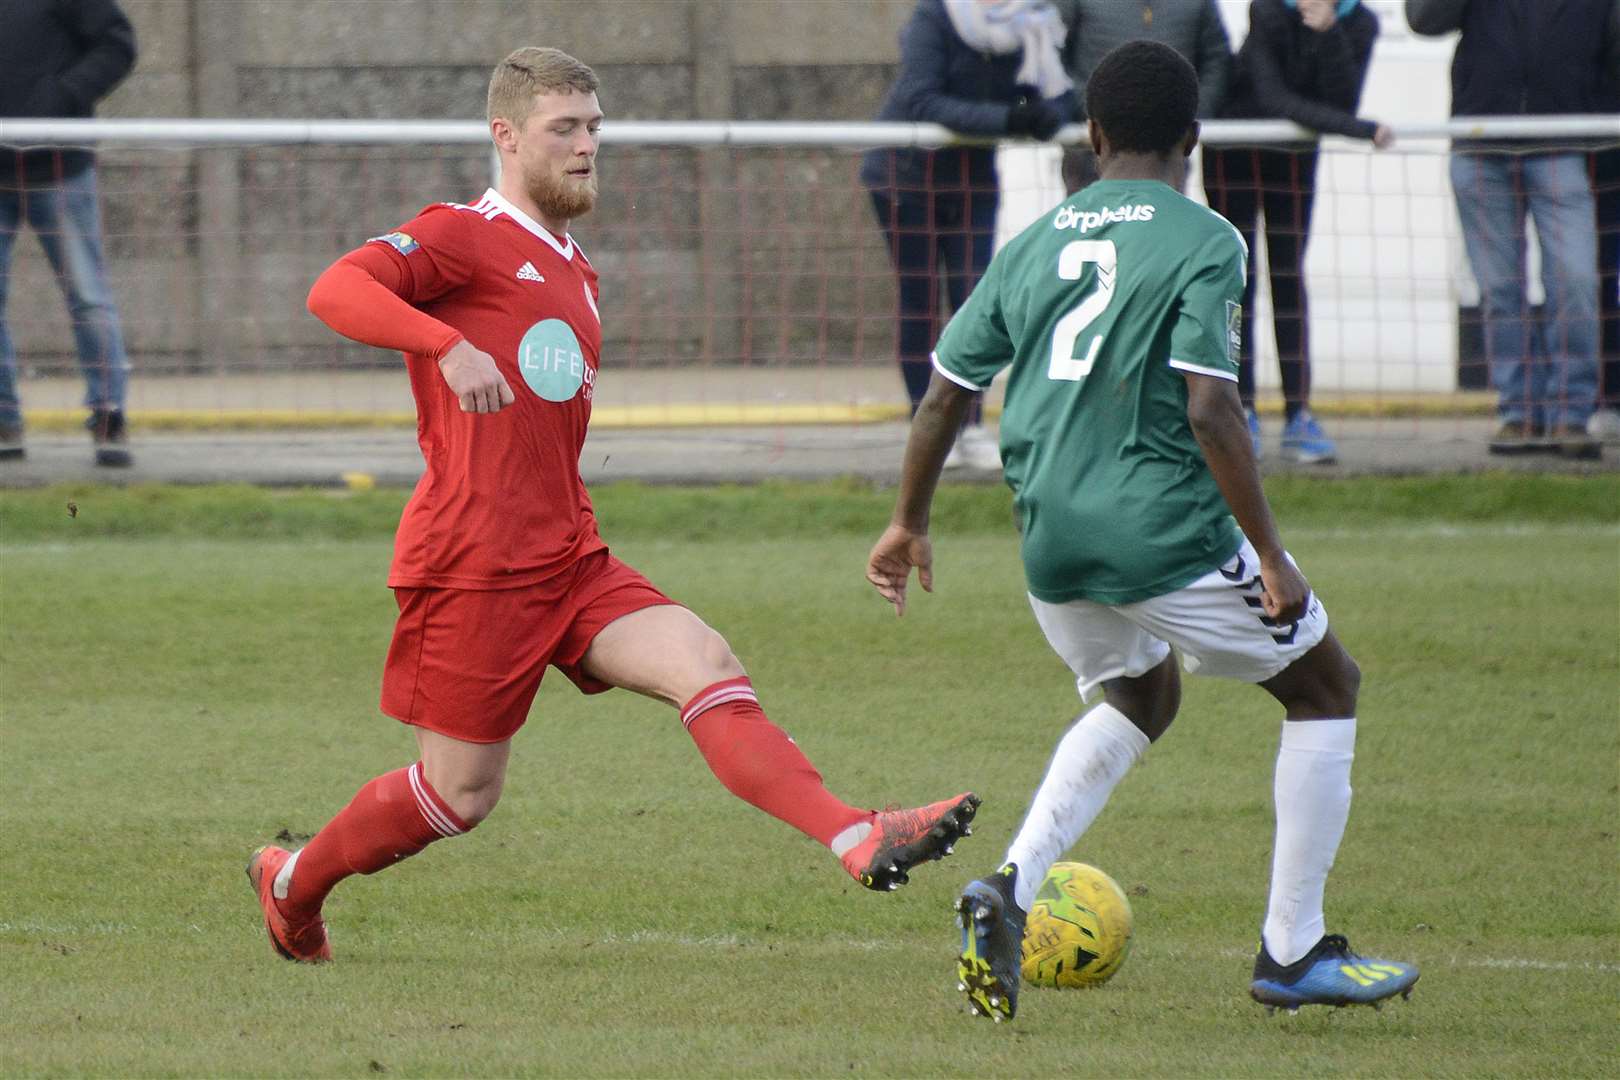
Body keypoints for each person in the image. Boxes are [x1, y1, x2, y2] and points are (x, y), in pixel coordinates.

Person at [248, 47, 980, 965]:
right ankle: (291, 884)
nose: (588, 146)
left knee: (704, 660)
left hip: (569, 553)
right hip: (474, 564)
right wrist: (444, 345)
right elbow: (334, 289)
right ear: (506, 137)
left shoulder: (575, 266)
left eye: (595, 127)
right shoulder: (460, 235)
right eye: (566, 129)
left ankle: (857, 834)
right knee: (460, 796)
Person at [866, 40, 1417, 1023]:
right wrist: (1274, 555)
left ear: (1094, 134)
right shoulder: (1208, 239)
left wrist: (908, 520)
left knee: (1141, 691)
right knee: (1326, 684)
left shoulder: (1035, 242)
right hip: (1160, 532)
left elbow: (946, 394)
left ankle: (1010, 885)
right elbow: (1212, 409)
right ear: (1193, 141)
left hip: (1049, 547)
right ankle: (1292, 951)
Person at [860, 0, 1078, 471]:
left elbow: (1060, 90)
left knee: (975, 302)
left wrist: (1044, 114)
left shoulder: (1034, 25)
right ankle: (926, 423)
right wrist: (1007, 120)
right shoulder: (935, 18)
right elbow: (923, 98)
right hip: (906, 176)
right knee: (921, 301)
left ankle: (972, 423)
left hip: (973, 180)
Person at [1406, 0, 1615, 460]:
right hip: (1482, 144)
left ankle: (1571, 414)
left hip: (1563, 144)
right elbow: (1423, 20)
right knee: (1500, 289)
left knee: (1576, 281)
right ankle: (1516, 411)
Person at [1202, 0, 1392, 465]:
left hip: (1294, 160)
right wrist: (1364, 131)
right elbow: (1274, 100)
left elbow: (1341, 97)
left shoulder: (1360, 23)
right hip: (1234, 154)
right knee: (1235, 286)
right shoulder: (1266, 9)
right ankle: (1239, 410)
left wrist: (1327, 34)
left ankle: (1298, 416)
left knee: (1288, 278)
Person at [0, 0, 137, 466]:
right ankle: (5, 420)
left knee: (88, 297)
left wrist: (62, 96)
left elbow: (117, 46)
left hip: (59, 169)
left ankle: (108, 415)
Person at [1052, 0, 1233, 194]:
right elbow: (1051, 54)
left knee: (1163, 216)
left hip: (1168, 148)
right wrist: (1093, 109)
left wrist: (1191, 112)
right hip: (1092, 149)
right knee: (1090, 219)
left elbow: (1217, 57)